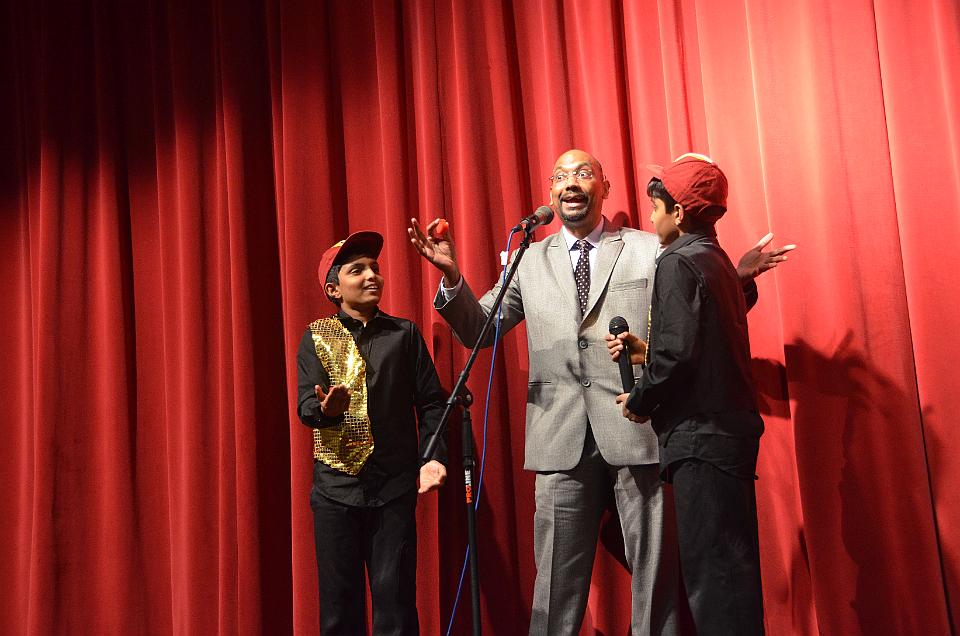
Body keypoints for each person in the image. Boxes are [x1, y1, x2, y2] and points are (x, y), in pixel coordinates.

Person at [407, 149, 791, 635]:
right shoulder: (528, 259)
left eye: (584, 173)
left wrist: (737, 277)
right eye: (560, 176)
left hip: (638, 426)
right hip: (558, 434)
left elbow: (692, 317)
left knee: (654, 576)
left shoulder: (649, 247)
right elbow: (478, 329)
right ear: (550, 193)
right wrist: (451, 278)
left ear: (604, 188)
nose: (571, 183)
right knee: (555, 585)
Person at [614, 154, 768, 634]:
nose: (651, 218)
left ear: (678, 212)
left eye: (655, 208)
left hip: (701, 440)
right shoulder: (716, 259)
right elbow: (700, 344)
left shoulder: (678, 261)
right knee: (732, 572)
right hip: (728, 437)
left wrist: (640, 400)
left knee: (714, 578)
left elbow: (677, 355)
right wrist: (650, 355)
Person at [296, 230, 448, 636]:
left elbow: (432, 403)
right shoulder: (316, 336)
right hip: (334, 491)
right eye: (357, 270)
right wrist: (326, 410)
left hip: (392, 490)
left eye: (375, 268)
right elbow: (306, 406)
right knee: (339, 612)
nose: (371, 276)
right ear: (334, 289)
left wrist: (432, 457)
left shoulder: (404, 335)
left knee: (395, 606)